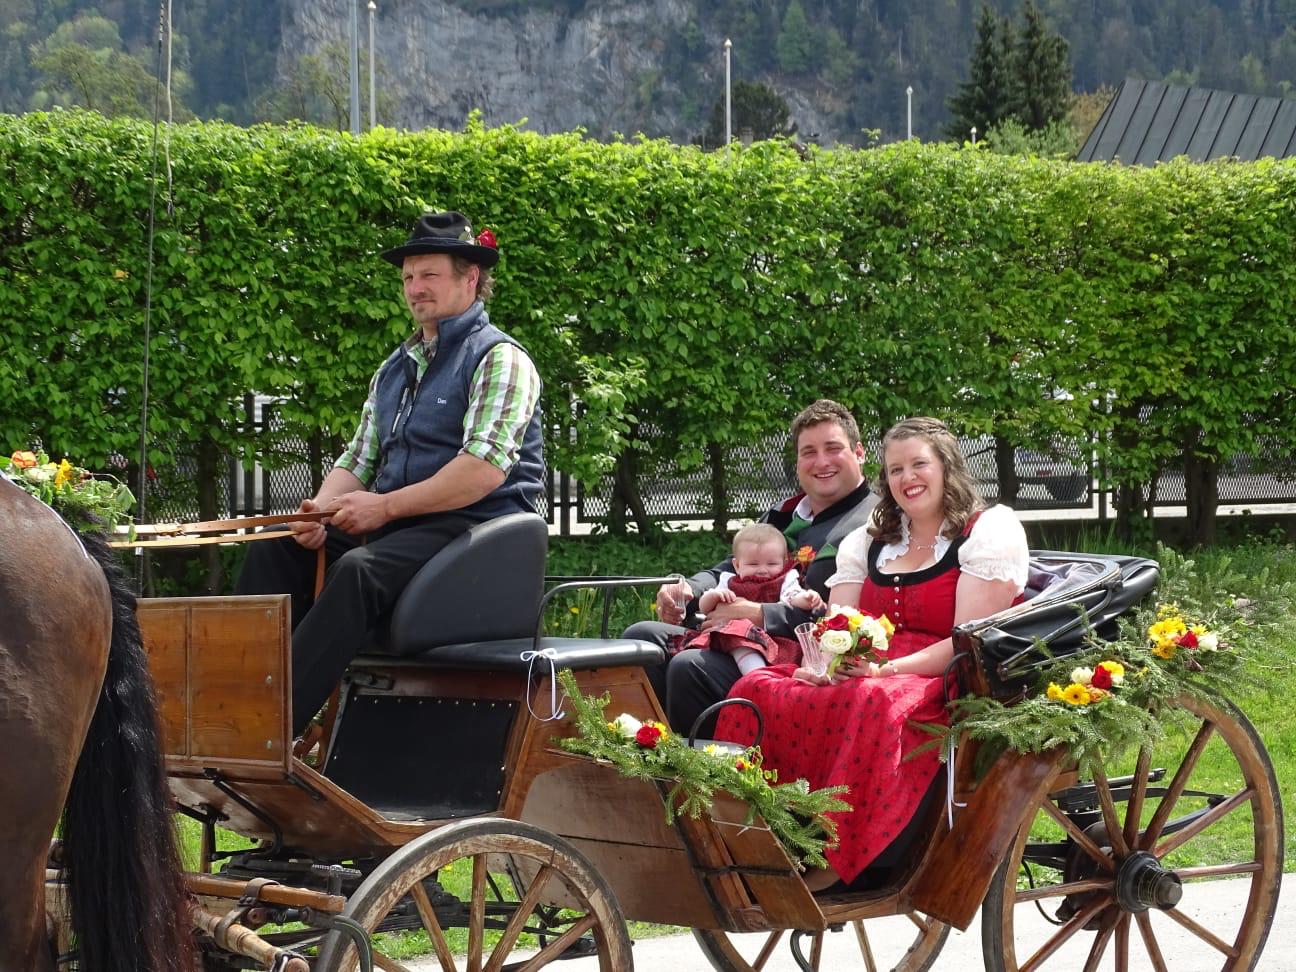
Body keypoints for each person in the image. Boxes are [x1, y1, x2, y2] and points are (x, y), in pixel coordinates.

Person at [236, 211, 545, 737]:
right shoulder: (394, 368)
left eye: (429, 275)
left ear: (470, 278)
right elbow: (358, 460)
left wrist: (382, 507)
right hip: (404, 527)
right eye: (408, 277)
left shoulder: (500, 358)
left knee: (359, 571)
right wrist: (317, 513)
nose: (415, 288)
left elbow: (482, 471)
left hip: (477, 530)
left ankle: (269, 730)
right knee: (278, 546)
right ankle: (231, 704)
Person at [714, 416, 1029, 890]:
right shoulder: (871, 539)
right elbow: (839, 624)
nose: (907, 478)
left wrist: (884, 670)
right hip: (869, 665)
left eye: (919, 464)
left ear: (946, 467)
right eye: (896, 469)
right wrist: (823, 666)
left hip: (943, 673)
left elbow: (968, 642)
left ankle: (838, 852)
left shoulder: (986, 533)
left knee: (872, 701)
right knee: (757, 687)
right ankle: (759, 833)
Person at [627, 400, 878, 735]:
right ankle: (650, 748)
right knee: (642, 639)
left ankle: (707, 765)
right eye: (809, 452)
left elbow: (848, 617)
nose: (821, 462)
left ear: (859, 452)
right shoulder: (782, 514)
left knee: (691, 666)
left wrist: (760, 614)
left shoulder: (872, 522)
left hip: (794, 654)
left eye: (833, 448)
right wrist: (688, 589)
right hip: (736, 637)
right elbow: (728, 568)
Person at [672, 522, 826, 675]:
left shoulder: (786, 578)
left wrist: (806, 598)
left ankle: (759, 678)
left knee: (741, 636)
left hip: (772, 640)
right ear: (737, 565)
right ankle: (756, 675)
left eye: (772, 563)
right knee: (737, 636)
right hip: (733, 637)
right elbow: (705, 608)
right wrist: (714, 596)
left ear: (784, 562)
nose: (762, 570)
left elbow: (791, 596)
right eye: (753, 564)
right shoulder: (728, 581)